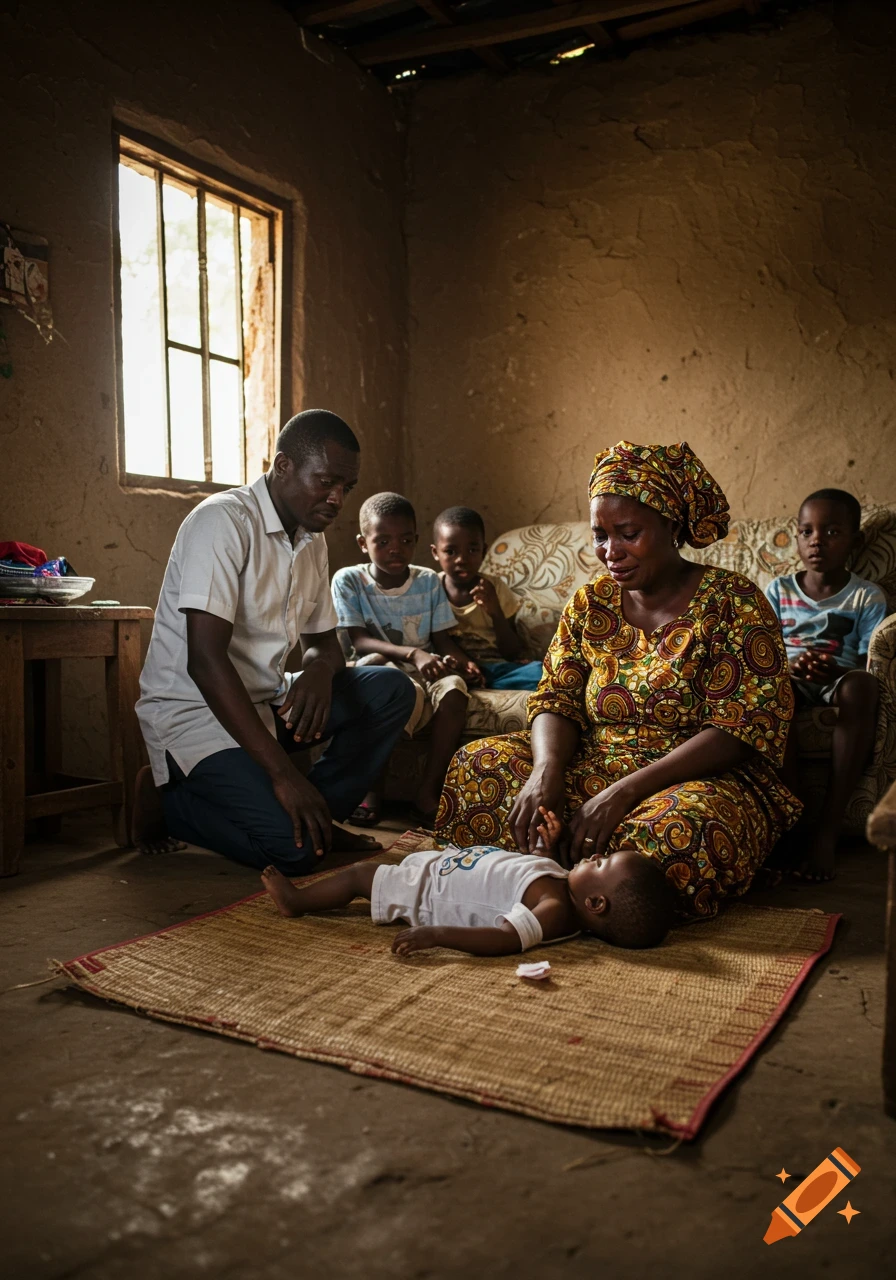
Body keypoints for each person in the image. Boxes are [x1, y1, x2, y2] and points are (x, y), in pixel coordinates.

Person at [435, 440, 803, 921]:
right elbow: (555, 698)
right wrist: (546, 770)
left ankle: (537, 888)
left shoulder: (734, 602)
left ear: (672, 524)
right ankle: (578, 897)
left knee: (676, 834)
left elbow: (741, 728)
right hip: (595, 758)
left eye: (628, 533)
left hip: (696, 777)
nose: (611, 552)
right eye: (600, 535)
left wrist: (623, 793)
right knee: (477, 766)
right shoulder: (592, 603)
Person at [134, 410, 417, 872]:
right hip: (195, 712)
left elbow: (325, 643)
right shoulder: (221, 523)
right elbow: (204, 662)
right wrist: (285, 775)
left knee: (391, 690)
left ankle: (315, 817)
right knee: (296, 854)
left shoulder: (312, 538)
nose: (337, 498)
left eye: (346, 487)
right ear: (283, 465)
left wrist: (320, 671)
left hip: (265, 699)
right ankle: (169, 802)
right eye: (326, 481)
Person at [260, 807, 676, 953]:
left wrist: (439, 934)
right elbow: (528, 874)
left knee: (358, 877)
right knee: (366, 873)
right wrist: (546, 850)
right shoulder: (564, 884)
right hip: (443, 868)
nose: (597, 856)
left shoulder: (554, 913)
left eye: (602, 864)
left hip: (428, 895)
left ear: (596, 905)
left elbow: (504, 938)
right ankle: (301, 899)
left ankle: (297, 901)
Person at [330, 492, 476, 827]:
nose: (396, 549)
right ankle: (372, 785)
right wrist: (414, 652)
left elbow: (441, 640)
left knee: (454, 691)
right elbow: (359, 640)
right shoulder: (349, 580)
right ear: (362, 543)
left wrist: (463, 662)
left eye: (406, 539)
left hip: (423, 662)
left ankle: (427, 792)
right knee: (398, 691)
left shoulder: (427, 580)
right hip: (376, 666)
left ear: (416, 540)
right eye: (382, 541)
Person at [765, 488, 885, 882]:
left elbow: (870, 663)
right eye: (807, 531)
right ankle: (795, 823)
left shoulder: (866, 596)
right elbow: (761, 654)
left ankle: (828, 831)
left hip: (840, 681)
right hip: (790, 678)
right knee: (767, 690)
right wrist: (791, 666)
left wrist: (834, 672)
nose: (816, 540)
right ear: (797, 537)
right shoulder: (778, 592)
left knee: (862, 687)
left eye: (832, 532)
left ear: (855, 540)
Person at [430, 505, 545, 691]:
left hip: (496, 667)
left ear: (483, 551)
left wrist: (496, 612)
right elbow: (439, 641)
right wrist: (465, 665)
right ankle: (471, 682)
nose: (462, 559)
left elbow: (512, 651)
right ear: (436, 552)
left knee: (541, 672)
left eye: (472, 550)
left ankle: (486, 683)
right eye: (451, 551)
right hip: (456, 667)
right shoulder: (431, 588)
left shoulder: (495, 588)